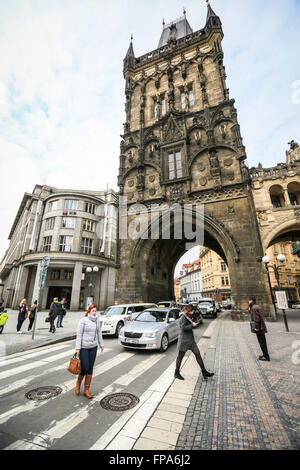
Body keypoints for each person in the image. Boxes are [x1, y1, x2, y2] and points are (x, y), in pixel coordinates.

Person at [175, 304, 214, 381]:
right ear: (189, 310)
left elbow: (191, 325)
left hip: (191, 340)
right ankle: (176, 373)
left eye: (193, 310)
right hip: (184, 340)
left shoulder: (190, 316)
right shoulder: (183, 317)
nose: (193, 312)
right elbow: (182, 328)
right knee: (180, 356)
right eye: (192, 311)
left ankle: (204, 372)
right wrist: (192, 325)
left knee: (198, 354)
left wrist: (194, 324)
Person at [74, 305, 104, 399]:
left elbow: (99, 333)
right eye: (92, 311)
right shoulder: (83, 320)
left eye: (95, 311)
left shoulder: (97, 321)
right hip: (83, 347)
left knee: (90, 368)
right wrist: (77, 348)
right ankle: (78, 383)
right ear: (89, 311)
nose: (94, 312)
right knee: (85, 367)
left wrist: (101, 344)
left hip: (93, 347)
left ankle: (86, 390)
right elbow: (79, 335)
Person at [249, 297, 270, 361]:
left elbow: (256, 319)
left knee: (262, 342)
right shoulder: (256, 306)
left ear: (251, 301)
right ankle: (265, 355)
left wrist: (256, 328)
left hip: (259, 328)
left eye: (249, 301)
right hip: (261, 327)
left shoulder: (254, 308)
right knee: (263, 342)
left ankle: (266, 357)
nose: (248, 302)